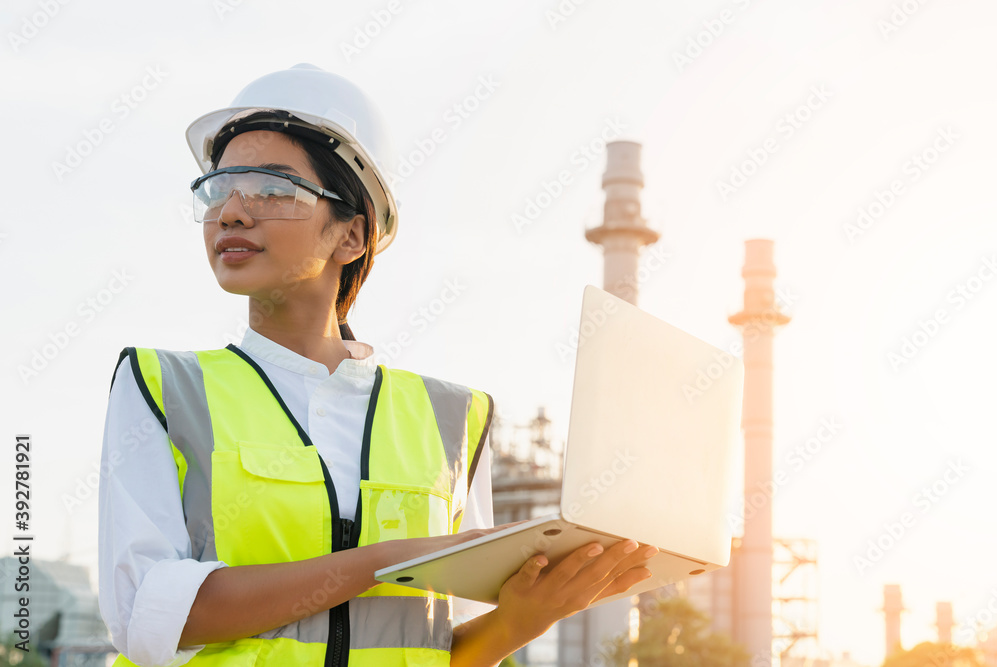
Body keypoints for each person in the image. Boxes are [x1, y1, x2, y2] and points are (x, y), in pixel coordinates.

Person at [97, 63, 659, 667]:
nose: (232, 211)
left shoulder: (455, 420)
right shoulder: (162, 388)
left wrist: (527, 618)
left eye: (274, 188)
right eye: (218, 187)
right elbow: (149, 619)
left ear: (352, 235)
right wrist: (387, 562)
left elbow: (440, 647)